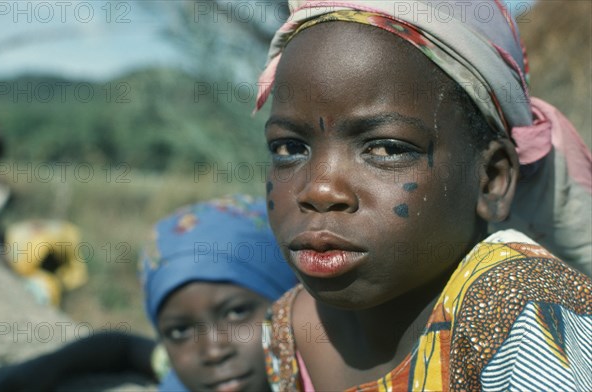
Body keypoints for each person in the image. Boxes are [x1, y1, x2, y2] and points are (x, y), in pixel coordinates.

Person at [254, 1, 592, 390]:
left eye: (386, 149)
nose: (320, 190)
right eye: (289, 148)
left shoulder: (513, 301)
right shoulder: (287, 325)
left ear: (491, 179)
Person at [0, 194, 297, 392]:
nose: (214, 351)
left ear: (290, 297)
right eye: (179, 331)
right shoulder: (179, 377)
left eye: (236, 313)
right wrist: (22, 378)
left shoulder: (330, 375)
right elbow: (125, 348)